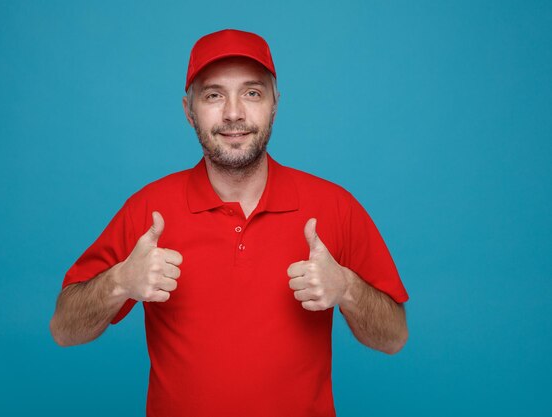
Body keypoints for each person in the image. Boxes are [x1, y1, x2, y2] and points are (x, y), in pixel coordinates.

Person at [50, 29, 409, 417]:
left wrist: (347, 289)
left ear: (275, 105)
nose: (234, 113)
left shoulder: (334, 207)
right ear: (188, 111)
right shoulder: (148, 210)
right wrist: (120, 281)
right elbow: (64, 330)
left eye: (252, 93)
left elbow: (394, 338)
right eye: (214, 95)